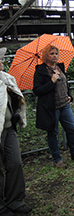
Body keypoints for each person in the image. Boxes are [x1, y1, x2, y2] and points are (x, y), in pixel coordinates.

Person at [33, 44, 74, 168]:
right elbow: (37, 91)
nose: (55, 56)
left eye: (56, 53)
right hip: (51, 108)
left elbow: (65, 83)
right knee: (53, 133)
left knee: (71, 129)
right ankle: (57, 159)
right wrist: (51, 81)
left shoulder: (59, 67)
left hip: (65, 105)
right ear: (45, 56)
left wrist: (69, 95)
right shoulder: (40, 71)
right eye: (51, 53)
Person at [0, 48, 32, 215]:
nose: (3, 62)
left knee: (15, 163)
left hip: (8, 128)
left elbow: (16, 101)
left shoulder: (6, 80)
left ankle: (15, 200)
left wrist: (17, 112)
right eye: (1, 60)